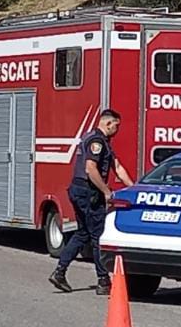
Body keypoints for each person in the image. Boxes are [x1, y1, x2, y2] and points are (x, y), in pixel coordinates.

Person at [49, 109, 134, 295]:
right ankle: (103, 280)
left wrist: (133, 188)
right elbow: (90, 169)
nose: (117, 129)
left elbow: (117, 167)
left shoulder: (99, 141)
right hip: (88, 193)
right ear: (108, 123)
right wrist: (106, 191)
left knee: (82, 234)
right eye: (116, 125)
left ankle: (60, 272)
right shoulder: (97, 142)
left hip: (79, 191)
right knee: (97, 236)